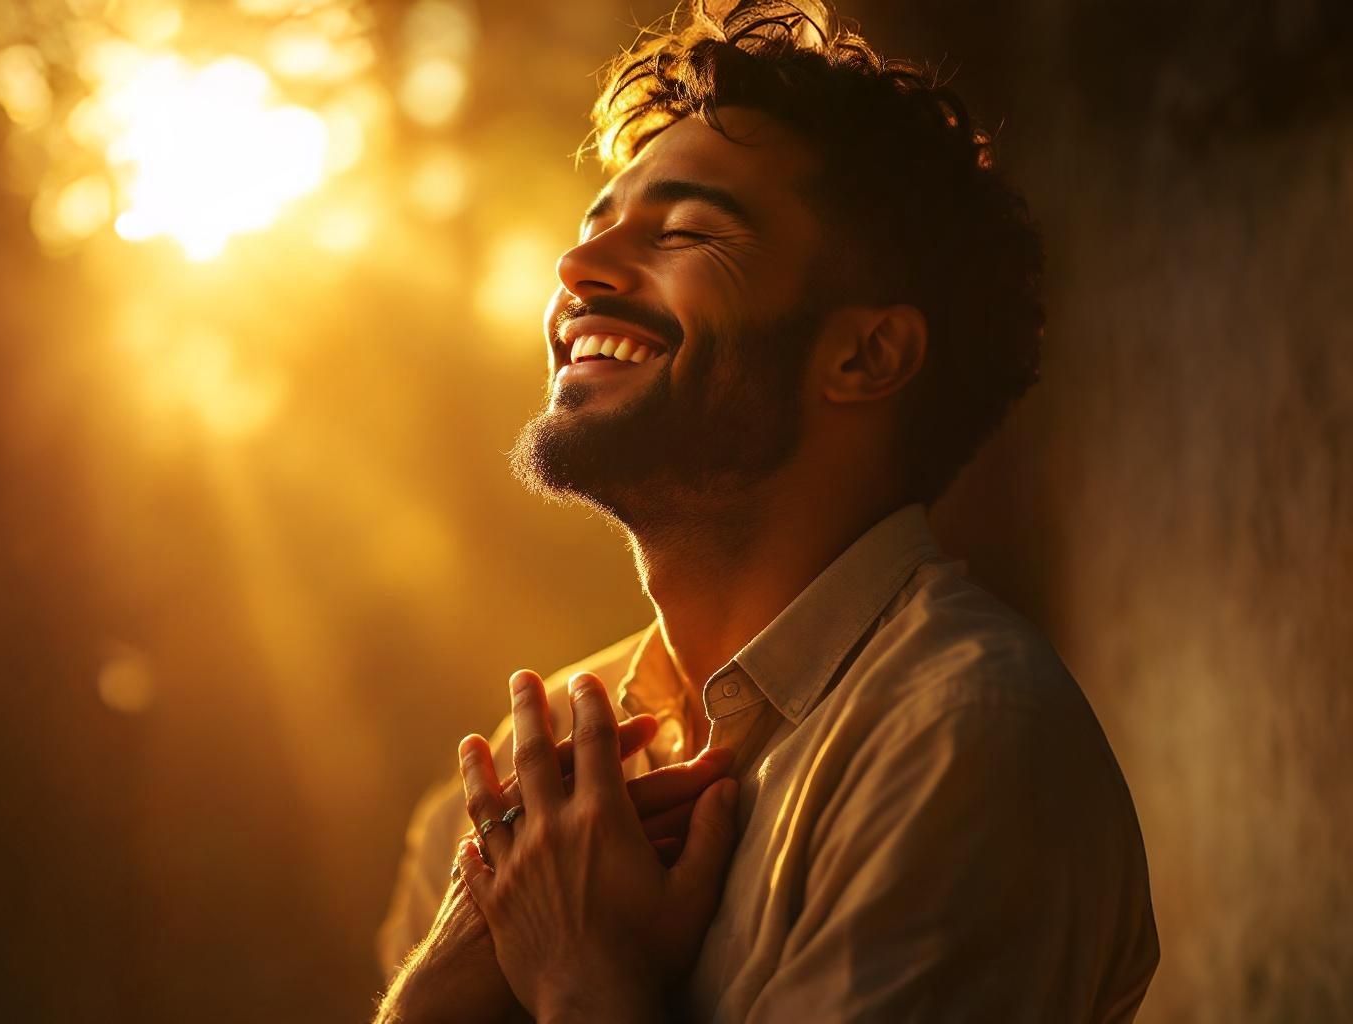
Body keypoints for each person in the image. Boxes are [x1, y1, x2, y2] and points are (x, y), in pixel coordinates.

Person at [374, 2, 1159, 1020]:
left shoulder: (964, 745)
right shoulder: (527, 782)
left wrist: (576, 978)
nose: (575, 272)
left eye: (687, 232)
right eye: (595, 228)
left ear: (865, 356)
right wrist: (443, 976)